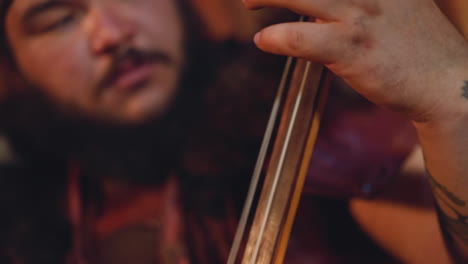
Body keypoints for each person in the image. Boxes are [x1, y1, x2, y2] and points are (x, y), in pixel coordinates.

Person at [0, 0, 466, 263]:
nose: (110, 33)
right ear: (14, 70)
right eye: (60, 19)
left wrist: (450, 101)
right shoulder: (29, 217)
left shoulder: (302, 113)